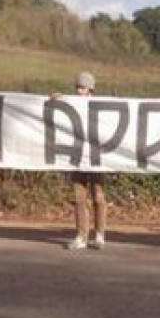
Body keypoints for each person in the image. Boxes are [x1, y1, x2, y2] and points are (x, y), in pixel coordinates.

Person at [60, 72, 107, 251]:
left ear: (90, 89)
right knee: (79, 198)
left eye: (83, 88)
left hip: (96, 157)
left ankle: (100, 234)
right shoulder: (71, 103)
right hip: (77, 157)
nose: (79, 91)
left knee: (98, 196)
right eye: (78, 87)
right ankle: (81, 235)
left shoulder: (101, 106)